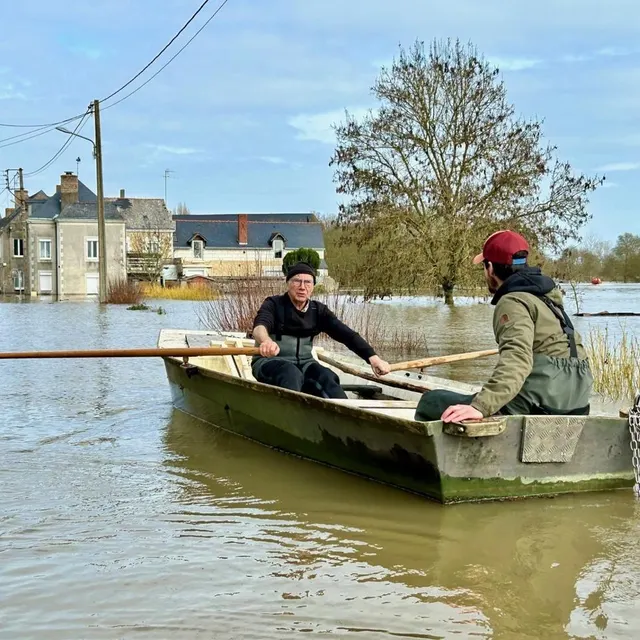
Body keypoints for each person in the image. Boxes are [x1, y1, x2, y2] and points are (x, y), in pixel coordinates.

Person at [415, 230, 593, 423]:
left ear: (490, 268)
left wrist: (480, 406)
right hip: (577, 406)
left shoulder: (512, 301)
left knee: (430, 401)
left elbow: (517, 359)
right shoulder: (548, 298)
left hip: (539, 407)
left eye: (484, 266)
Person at [251, 262, 391, 398]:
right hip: (270, 362)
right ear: (288, 283)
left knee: (327, 377)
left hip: (305, 363)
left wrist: (373, 358)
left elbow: (347, 335)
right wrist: (266, 341)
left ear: (313, 287)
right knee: (291, 374)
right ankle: (292, 416)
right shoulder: (273, 304)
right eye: (297, 281)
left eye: (308, 282)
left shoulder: (318, 311)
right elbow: (259, 326)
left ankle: (344, 416)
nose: (302, 287)